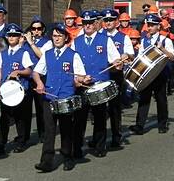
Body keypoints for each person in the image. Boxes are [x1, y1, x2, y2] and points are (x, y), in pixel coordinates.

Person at [32, 24, 88, 172]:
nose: (57, 38)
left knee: (66, 129)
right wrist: (39, 83)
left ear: (66, 38)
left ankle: (67, 157)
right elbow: (36, 72)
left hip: (66, 97)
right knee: (49, 130)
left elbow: (80, 75)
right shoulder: (47, 54)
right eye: (54, 36)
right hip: (49, 97)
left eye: (60, 36)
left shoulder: (73, 55)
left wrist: (80, 80)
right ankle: (46, 161)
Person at [73, 10, 122, 157]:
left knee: (99, 117)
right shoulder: (76, 41)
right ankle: (77, 148)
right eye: (84, 23)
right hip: (83, 85)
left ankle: (100, 147)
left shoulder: (106, 40)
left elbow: (116, 60)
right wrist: (78, 78)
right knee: (80, 118)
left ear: (96, 24)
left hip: (100, 84)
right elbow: (72, 64)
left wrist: (117, 63)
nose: (87, 26)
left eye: (90, 23)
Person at [0, 23, 34, 154]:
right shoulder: (3, 53)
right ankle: (1, 143)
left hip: (19, 90)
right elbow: (1, 73)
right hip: (6, 89)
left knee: (19, 117)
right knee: (5, 117)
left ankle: (21, 142)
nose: (11, 37)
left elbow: (29, 70)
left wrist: (19, 72)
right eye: (9, 35)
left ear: (19, 37)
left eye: (14, 35)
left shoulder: (23, 52)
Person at [130, 13, 174, 134]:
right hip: (146, 75)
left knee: (161, 99)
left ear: (158, 27)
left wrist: (162, 49)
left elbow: (172, 57)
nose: (149, 27)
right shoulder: (144, 40)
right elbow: (140, 57)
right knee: (144, 99)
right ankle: (139, 125)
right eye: (148, 25)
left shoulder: (165, 40)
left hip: (160, 74)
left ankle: (162, 124)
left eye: (152, 25)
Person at [101, 8, 134, 150]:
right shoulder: (98, 36)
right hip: (101, 75)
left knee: (114, 107)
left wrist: (124, 56)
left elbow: (130, 54)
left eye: (111, 20)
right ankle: (99, 138)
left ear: (116, 22)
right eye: (106, 20)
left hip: (115, 75)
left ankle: (116, 136)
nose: (108, 23)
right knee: (100, 108)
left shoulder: (123, 37)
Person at [23, 17, 53, 143]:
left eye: (39, 29)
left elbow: (41, 55)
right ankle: (24, 136)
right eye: (33, 29)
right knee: (25, 109)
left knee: (41, 108)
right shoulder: (25, 42)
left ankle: (43, 133)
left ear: (43, 30)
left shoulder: (48, 42)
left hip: (40, 78)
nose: (36, 31)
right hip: (27, 78)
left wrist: (31, 43)